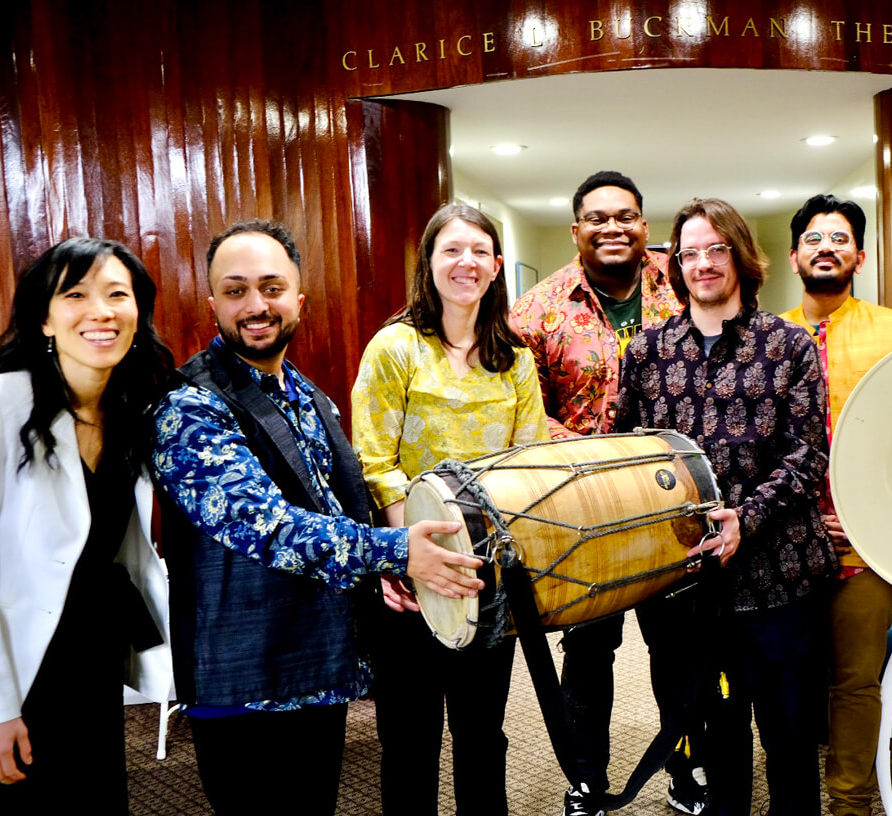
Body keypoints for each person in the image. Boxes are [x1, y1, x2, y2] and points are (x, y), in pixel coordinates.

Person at [151, 219, 481, 816]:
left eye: (272, 288)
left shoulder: (306, 394)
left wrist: (379, 570)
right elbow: (269, 526)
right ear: (213, 304)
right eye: (236, 290)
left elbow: (333, 506)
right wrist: (396, 549)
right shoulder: (191, 406)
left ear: (298, 300)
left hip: (317, 668)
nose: (257, 305)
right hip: (245, 679)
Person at [616, 197, 838, 816]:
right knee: (716, 742)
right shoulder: (648, 354)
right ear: (676, 266)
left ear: (740, 257)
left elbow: (807, 454)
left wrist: (748, 517)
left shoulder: (789, 346)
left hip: (780, 578)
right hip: (687, 587)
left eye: (717, 249)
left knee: (790, 737)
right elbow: (630, 457)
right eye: (690, 253)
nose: (704, 263)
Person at [0, 238, 174, 814]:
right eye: (76, 295)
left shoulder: (130, 412)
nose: (101, 312)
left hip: (93, 659)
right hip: (17, 668)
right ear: (44, 319)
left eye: (117, 295)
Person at [510, 171, 704, 816]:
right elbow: (524, 412)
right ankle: (586, 781)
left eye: (625, 216)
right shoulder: (537, 310)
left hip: (673, 505)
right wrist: (602, 463)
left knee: (678, 651)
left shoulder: (682, 286)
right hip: (585, 510)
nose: (612, 228)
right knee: (588, 654)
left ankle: (686, 772)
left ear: (645, 226)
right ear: (576, 231)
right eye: (597, 218)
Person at [351, 203, 547, 815]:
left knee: (482, 735)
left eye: (480, 251)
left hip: (485, 575)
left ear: (497, 266)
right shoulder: (395, 347)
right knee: (410, 738)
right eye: (452, 250)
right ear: (429, 263)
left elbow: (527, 465)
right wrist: (415, 557)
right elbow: (374, 461)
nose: (467, 262)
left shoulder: (516, 359)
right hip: (409, 573)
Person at [777, 194, 892, 816]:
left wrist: (867, 517)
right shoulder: (766, 337)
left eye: (839, 239)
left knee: (856, 680)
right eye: (813, 239)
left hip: (866, 542)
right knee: (782, 680)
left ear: (859, 257)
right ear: (794, 256)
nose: (826, 248)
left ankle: (850, 803)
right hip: (783, 541)